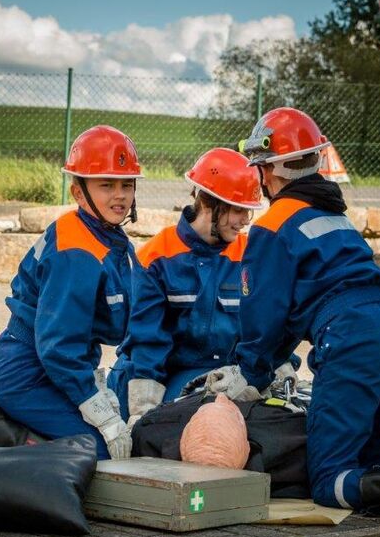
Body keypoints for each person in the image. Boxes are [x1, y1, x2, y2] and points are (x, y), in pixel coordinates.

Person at [209, 107, 380, 513]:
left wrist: (250, 372)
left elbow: (264, 314)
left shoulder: (272, 227)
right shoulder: (335, 218)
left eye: (260, 168)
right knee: (376, 463)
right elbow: (301, 305)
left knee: (330, 480)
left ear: (270, 170)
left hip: (348, 339)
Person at [0, 125, 143, 460]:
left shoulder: (106, 237)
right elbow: (58, 347)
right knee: (101, 450)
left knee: (122, 439)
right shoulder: (76, 251)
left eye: (127, 184)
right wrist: (92, 402)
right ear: (77, 192)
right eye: (106, 185)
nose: (120, 195)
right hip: (30, 375)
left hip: (59, 370)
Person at [107, 148, 266, 426]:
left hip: (219, 376)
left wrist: (279, 369)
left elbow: (265, 324)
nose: (245, 220)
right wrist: (143, 412)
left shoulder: (249, 256)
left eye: (248, 212)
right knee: (170, 427)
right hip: (161, 372)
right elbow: (148, 339)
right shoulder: (157, 256)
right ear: (209, 204)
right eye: (238, 209)